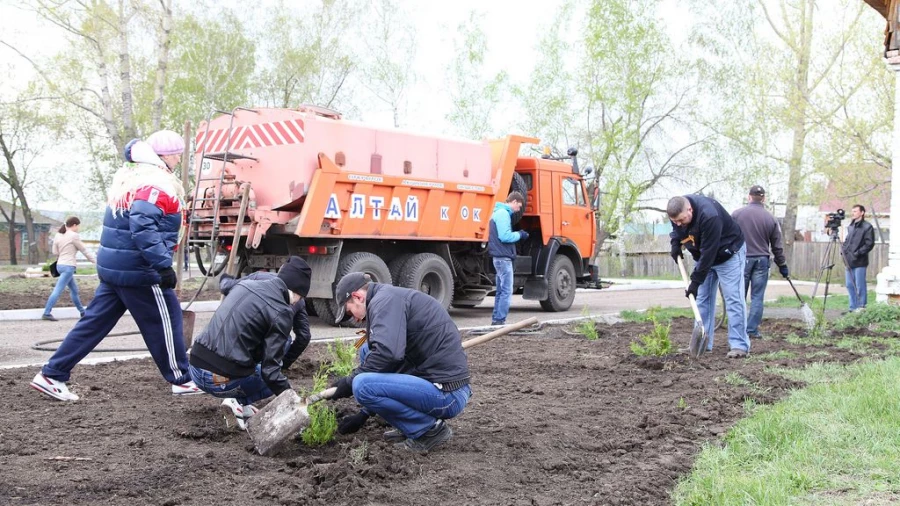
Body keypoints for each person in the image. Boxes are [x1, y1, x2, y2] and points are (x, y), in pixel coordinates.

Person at [30, 132, 202, 401]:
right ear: (164, 155)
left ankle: (52, 374)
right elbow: (143, 226)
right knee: (167, 319)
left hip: (115, 268)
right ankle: (181, 378)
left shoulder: (130, 178)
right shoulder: (155, 183)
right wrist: (162, 265)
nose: (179, 158)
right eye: (177, 153)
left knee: (93, 324)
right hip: (140, 270)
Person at [326, 272, 472, 453]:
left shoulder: (384, 302)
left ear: (357, 296)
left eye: (349, 312)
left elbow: (388, 354)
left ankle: (429, 429)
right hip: (433, 381)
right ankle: (408, 425)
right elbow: (390, 359)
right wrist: (363, 414)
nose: (354, 319)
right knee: (367, 351)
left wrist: (348, 382)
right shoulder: (387, 298)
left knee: (362, 385)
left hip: (448, 394)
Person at [188, 256, 313, 430]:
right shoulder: (282, 311)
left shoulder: (244, 284)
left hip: (194, 367)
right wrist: (293, 403)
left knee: (250, 354)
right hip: (218, 381)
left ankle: (242, 406)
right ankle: (235, 400)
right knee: (273, 376)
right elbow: (271, 372)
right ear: (298, 292)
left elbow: (225, 285)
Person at [668, 194, 749, 358]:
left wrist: (695, 282)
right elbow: (677, 231)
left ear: (689, 209)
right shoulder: (677, 212)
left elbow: (708, 253)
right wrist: (675, 243)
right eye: (675, 221)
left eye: (681, 220)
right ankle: (702, 346)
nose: (678, 224)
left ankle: (739, 346)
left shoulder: (709, 215)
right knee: (702, 300)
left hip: (728, 254)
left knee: (733, 298)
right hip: (704, 255)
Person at [731, 185, 789, 339]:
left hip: (742, 260)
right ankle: (751, 330)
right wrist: (782, 265)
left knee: (738, 296)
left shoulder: (737, 215)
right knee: (757, 297)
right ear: (764, 199)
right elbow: (777, 246)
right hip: (762, 260)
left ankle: (738, 329)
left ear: (749, 197)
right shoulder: (771, 218)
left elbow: (728, 237)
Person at [42, 216, 96, 321]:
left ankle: (82, 312)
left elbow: (55, 252)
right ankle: (46, 313)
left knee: (74, 290)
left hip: (60, 265)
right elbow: (84, 250)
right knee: (58, 290)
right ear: (74, 225)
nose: (78, 228)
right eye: (78, 226)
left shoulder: (58, 235)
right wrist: (96, 262)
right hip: (68, 266)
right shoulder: (74, 236)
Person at [488, 191, 528, 326]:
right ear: (514, 202)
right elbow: (504, 236)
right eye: (519, 206)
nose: (518, 210)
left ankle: (496, 319)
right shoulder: (503, 214)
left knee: (500, 291)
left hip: (499, 258)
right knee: (506, 290)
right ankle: (500, 320)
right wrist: (520, 235)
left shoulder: (497, 213)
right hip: (503, 259)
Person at [840, 204, 875, 312]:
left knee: (860, 286)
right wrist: (843, 251)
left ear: (862, 212)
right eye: (852, 211)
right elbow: (847, 241)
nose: (853, 213)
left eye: (855, 211)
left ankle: (861, 307)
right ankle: (852, 308)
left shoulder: (867, 227)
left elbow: (869, 244)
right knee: (849, 285)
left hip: (860, 261)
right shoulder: (851, 226)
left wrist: (858, 253)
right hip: (848, 261)